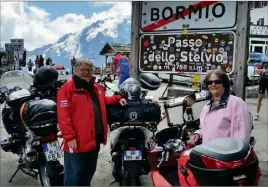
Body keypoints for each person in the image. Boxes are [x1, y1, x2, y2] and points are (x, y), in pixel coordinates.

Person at [57, 58, 127, 186]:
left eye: (89, 70)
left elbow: (103, 101)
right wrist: (69, 137)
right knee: (73, 176)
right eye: (82, 70)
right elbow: (63, 116)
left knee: (88, 173)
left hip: (94, 139)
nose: (86, 73)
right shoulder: (67, 89)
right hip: (77, 141)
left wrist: (118, 99)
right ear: (75, 70)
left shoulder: (96, 87)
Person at [189, 70, 252, 145]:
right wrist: (197, 134)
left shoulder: (236, 103)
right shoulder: (206, 107)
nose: (213, 84)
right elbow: (205, 129)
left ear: (224, 84)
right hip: (207, 153)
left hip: (226, 154)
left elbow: (241, 134)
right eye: (210, 82)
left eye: (217, 82)